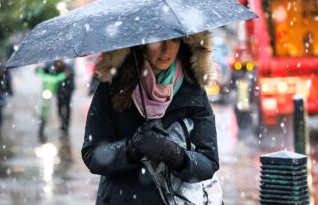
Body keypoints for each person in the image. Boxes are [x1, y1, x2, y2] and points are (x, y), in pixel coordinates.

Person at [81, 31, 219, 205]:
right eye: (157, 39)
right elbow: (93, 155)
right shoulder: (112, 88)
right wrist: (131, 148)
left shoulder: (193, 90)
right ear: (141, 42)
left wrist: (175, 155)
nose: (166, 49)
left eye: (175, 40)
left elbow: (209, 162)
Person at [36, 60, 74, 140]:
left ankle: (65, 126)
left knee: (66, 108)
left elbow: (67, 78)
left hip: (66, 92)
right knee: (58, 108)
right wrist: (38, 70)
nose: (58, 63)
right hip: (56, 92)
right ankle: (61, 124)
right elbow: (43, 72)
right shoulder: (50, 66)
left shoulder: (68, 68)